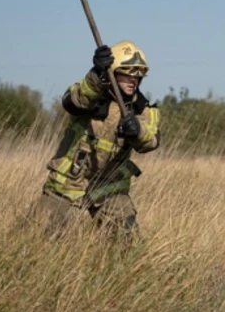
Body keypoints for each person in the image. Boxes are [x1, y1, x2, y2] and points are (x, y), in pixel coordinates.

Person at [35, 40, 162, 242]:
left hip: (110, 185)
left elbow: (151, 141)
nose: (133, 79)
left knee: (128, 243)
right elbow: (72, 100)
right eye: (127, 72)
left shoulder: (143, 108)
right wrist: (95, 75)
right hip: (68, 180)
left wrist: (138, 131)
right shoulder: (93, 93)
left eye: (138, 75)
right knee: (43, 239)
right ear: (112, 72)